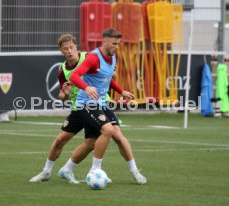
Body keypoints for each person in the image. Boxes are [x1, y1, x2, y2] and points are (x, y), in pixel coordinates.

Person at [30, 33, 146, 184]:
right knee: (61, 139)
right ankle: (46, 171)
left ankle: (120, 171)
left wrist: (120, 90)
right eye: (66, 49)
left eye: (71, 47)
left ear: (76, 47)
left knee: (104, 138)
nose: (69, 51)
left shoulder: (89, 57)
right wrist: (64, 94)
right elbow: (62, 95)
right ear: (61, 51)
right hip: (80, 107)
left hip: (97, 103)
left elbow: (105, 77)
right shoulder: (62, 70)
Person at [69, 28, 146, 184]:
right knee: (108, 130)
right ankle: (95, 170)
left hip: (101, 103)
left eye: (118, 44)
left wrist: (121, 91)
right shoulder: (93, 58)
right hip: (87, 103)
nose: (117, 47)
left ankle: (135, 171)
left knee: (113, 136)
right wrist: (86, 87)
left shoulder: (113, 56)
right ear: (105, 42)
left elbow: (106, 78)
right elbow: (74, 76)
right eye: (113, 44)